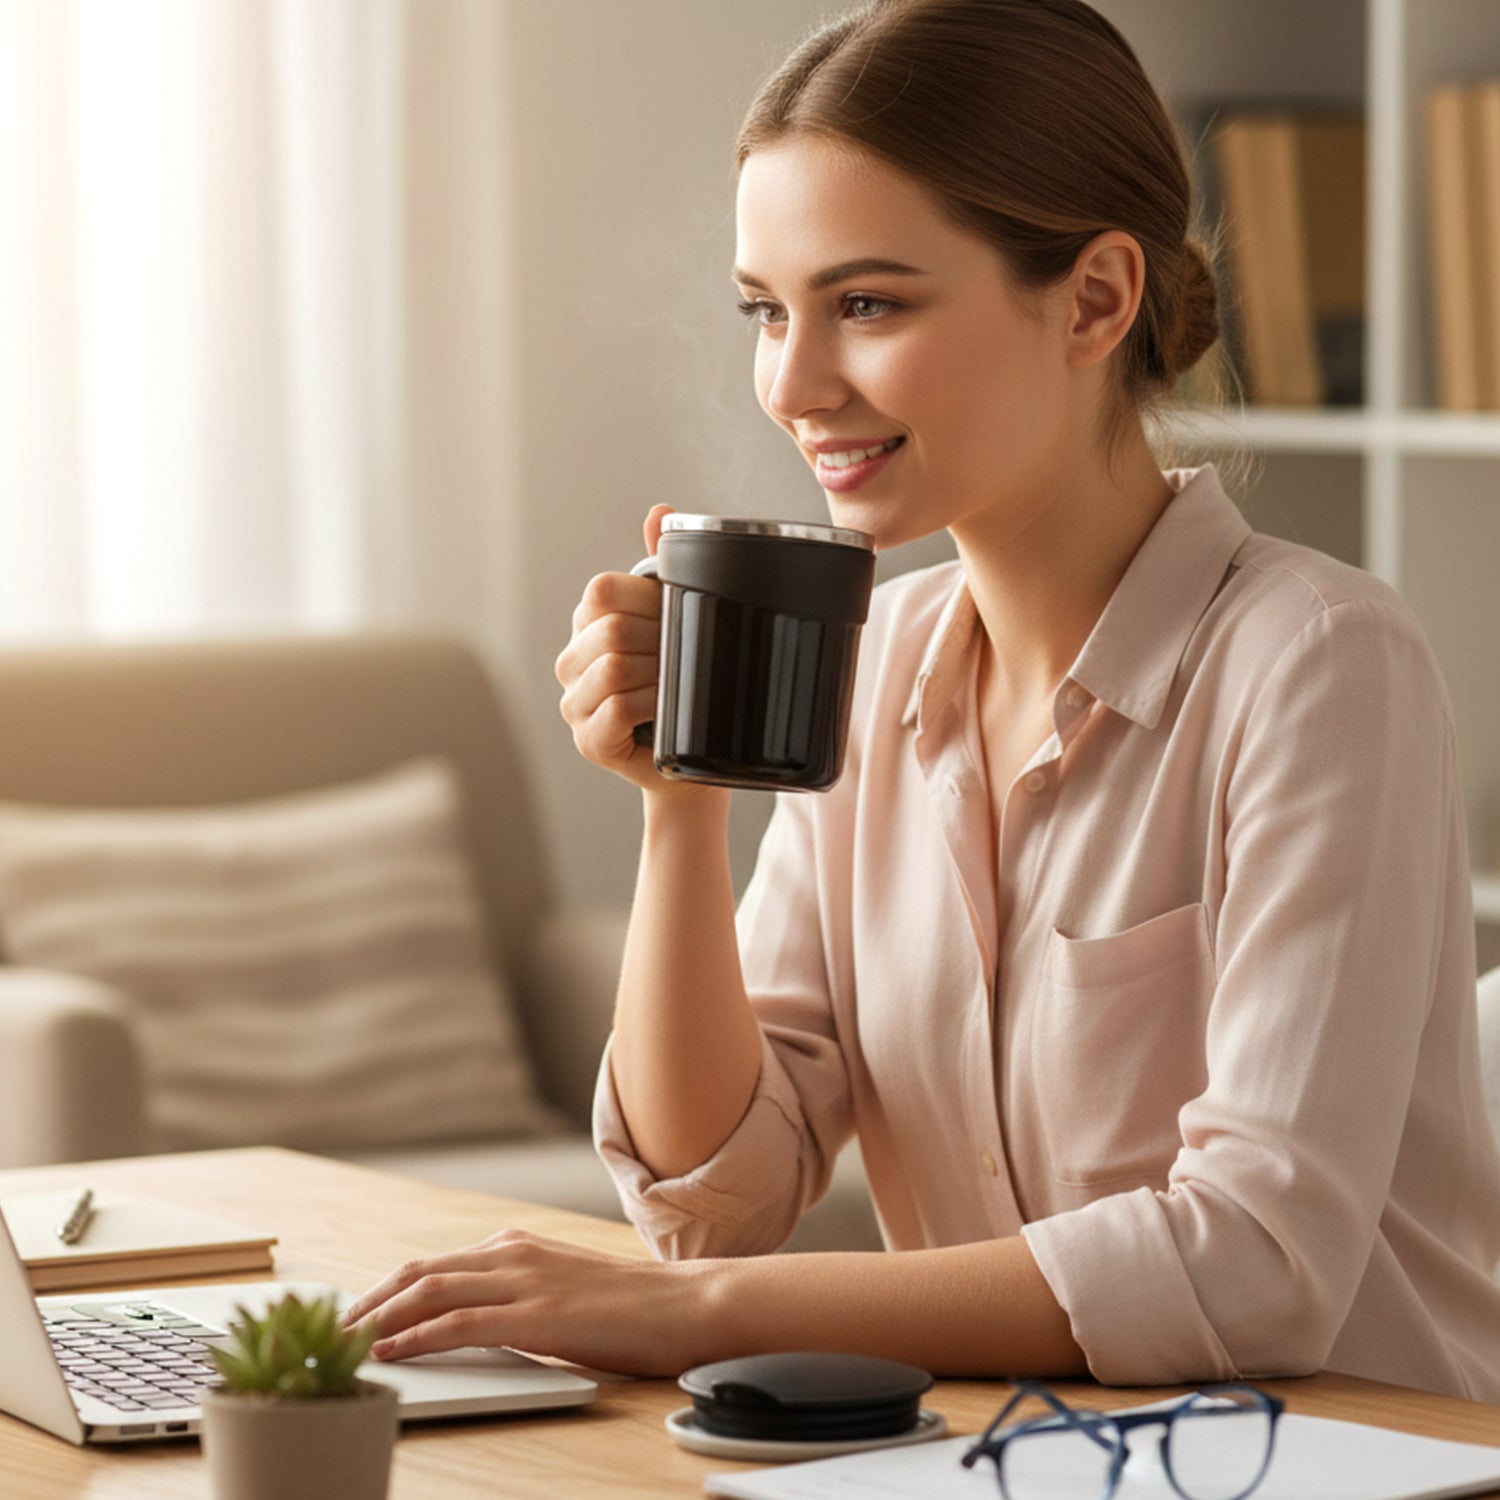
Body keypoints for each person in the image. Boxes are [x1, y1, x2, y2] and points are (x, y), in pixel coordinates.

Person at [346, 0, 1500, 1399]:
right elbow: (718, 1198)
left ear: (1093, 299)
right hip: (1007, 1463)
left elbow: (1250, 1262)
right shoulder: (878, 658)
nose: (792, 381)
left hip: (1350, 1471)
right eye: (768, 312)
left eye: (868, 304)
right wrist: (678, 809)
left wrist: (697, 1314)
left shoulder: (1316, 664)